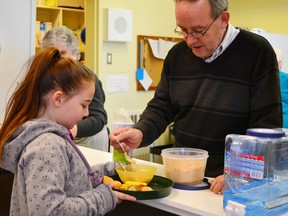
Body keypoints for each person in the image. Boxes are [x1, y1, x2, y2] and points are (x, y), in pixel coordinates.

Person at [110, 0, 282, 194]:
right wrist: (141, 132)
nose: (190, 40)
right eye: (183, 30)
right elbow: (162, 106)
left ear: (224, 19)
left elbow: (267, 126)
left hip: (229, 183)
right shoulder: (177, 55)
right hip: (181, 175)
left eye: (199, 30)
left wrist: (240, 173)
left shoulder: (256, 51)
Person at [0, 47, 136, 215]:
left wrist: (113, 169)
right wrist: (103, 198)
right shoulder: (47, 146)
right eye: (84, 105)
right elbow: (51, 212)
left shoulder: (51, 139)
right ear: (58, 99)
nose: (86, 113)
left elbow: (73, 178)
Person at [41, 26, 109, 151]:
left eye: (63, 53)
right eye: (53, 54)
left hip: (87, 139)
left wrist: (72, 130)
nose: (58, 60)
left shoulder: (88, 79)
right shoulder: (44, 77)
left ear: (75, 53)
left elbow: (98, 118)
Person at [275, 47, 288, 128]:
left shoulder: (257, 77)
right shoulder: (285, 78)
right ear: (279, 62)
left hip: (264, 122)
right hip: (285, 123)